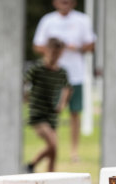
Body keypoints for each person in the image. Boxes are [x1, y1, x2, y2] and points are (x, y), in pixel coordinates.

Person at [33, 0, 96, 162]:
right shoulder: (48, 21)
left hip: (75, 75)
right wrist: (55, 49)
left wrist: (76, 48)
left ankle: (73, 152)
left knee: (75, 112)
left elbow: (91, 44)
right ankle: (53, 148)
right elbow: (37, 46)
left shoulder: (82, 20)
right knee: (52, 115)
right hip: (54, 77)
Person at [25, 38, 71, 173]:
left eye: (57, 54)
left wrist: (61, 103)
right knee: (53, 143)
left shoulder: (61, 72)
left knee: (53, 150)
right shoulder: (37, 69)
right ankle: (31, 164)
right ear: (46, 51)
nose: (54, 56)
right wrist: (25, 95)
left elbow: (67, 88)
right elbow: (24, 81)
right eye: (52, 53)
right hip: (38, 112)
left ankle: (51, 174)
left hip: (52, 113)